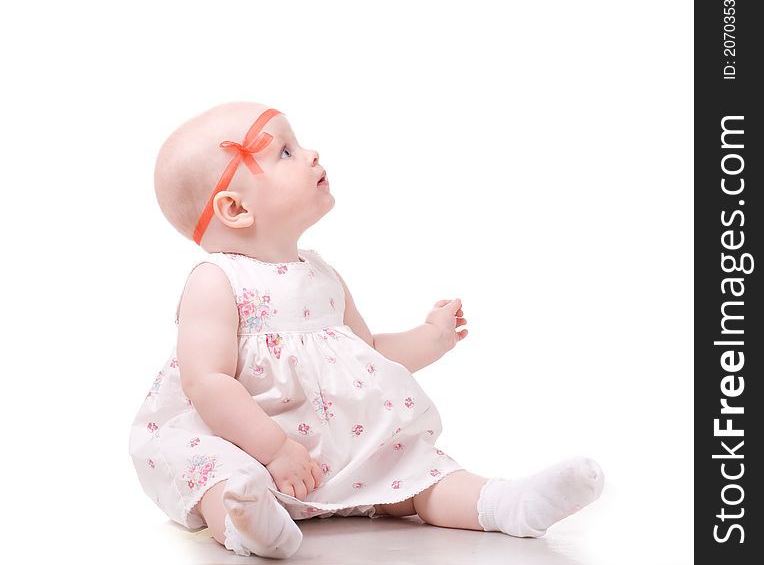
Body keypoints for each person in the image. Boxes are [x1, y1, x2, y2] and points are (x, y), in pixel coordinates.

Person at [128, 101, 605, 559]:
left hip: (335, 449)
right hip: (250, 444)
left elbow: (367, 351)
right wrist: (272, 450)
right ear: (235, 209)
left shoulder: (321, 274)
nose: (312, 154)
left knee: (417, 471)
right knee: (219, 475)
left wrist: (431, 337)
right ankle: (248, 522)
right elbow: (206, 381)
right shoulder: (217, 281)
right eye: (286, 152)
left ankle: (505, 504)